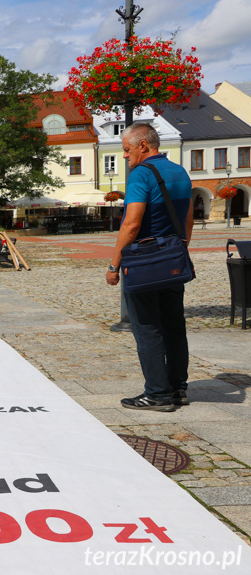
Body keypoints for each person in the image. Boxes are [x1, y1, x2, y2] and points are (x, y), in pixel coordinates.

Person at [106, 122, 194, 412]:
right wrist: (180, 248)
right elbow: (188, 219)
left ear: (144, 146)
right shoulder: (180, 172)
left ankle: (157, 393)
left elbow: (131, 224)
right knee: (174, 326)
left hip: (144, 261)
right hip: (171, 260)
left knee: (147, 327)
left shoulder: (141, 174)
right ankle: (178, 388)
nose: (125, 157)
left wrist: (114, 264)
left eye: (127, 150)